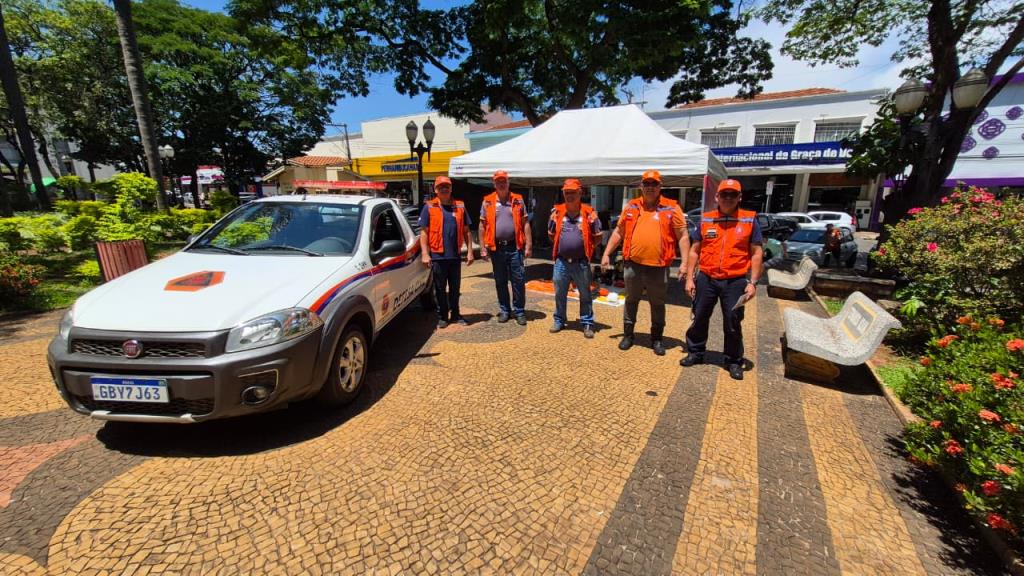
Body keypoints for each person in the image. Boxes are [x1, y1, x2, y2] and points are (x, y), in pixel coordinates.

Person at [682, 179, 764, 380]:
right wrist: (690, 278)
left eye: (732, 194)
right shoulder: (707, 219)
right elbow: (694, 251)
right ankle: (695, 352)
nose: (728, 198)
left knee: (733, 321)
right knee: (699, 316)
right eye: (724, 194)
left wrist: (753, 283)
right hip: (706, 278)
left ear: (739, 197)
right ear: (717, 197)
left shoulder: (749, 220)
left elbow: (756, 253)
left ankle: (733, 360)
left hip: (735, 281)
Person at [601, 170, 689, 355]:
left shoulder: (672, 207)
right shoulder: (632, 206)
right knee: (631, 300)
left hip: (659, 267)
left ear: (660, 186)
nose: (650, 187)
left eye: (653, 184)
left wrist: (685, 263)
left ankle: (656, 339)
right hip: (633, 264)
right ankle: (628, 335)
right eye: (646, 184)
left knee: (657, 303)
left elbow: (683, 236)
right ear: (641, 186)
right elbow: (618, 232)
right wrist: (606, 253)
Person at [548, 178, 602, 338]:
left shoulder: (590, 213)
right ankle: (559, 320)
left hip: (581, 262)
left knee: (585, 294)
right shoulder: (557, 213)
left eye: (573, 192)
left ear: (580, 193)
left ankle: (587, 322)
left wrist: (586, 247)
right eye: (567, 192)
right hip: (561, 262)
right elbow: (551, 235)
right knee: (559, 293)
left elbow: (598, 236)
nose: (569, 195)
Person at [419, 176, 474, 328]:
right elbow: (424, 233)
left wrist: (470, 251)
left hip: (455, 256)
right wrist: (425, 254)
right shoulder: (429, 207)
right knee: (440, 289)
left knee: (455, 288)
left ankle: (455, 314)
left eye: (447, 186)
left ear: (451, 188)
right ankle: (443, 316)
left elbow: (467, 231)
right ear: (435, 190)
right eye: (441, 187)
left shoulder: (460, 206)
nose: (444, 189)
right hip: (438, 256)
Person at [479, 170, 532, 325]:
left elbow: (525, 223)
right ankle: (505, 310)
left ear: (508, 183)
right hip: (497, 249)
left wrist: (529, 245)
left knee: (518, 280)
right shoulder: (487, 201)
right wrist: (482, 247)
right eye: (498, 182)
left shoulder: (518, 200)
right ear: (494, 184)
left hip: (515, 247)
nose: (501, 184)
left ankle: (519, 311)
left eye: (504, 181)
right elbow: (482, 226)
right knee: (500, 281)